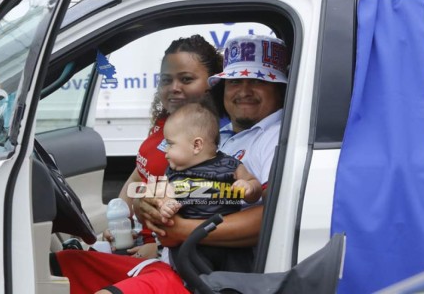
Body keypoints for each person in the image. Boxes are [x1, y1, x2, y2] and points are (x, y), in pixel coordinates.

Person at [56, 34, 288, 294]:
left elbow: (273, 217)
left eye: (257, 81)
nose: (244, 91)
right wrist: (147, 207)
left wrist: (182, 231)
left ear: (279, 89)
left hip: (203, 276)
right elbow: (152, 184)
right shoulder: (216, 135)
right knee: (66, 265)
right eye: (235, 81)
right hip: (171, 261)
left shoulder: (278, 138)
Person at [160, 99, 262, 271]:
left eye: (170, 144)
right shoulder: (173, 173)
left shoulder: (231, 165)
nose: (165, 152)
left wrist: (249, 187)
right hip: (190, 248)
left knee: (237, 280)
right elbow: (161, 192)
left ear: (196, 145)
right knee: (197, 283)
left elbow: (254, 186)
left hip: (230, 244)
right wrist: (165, 203)